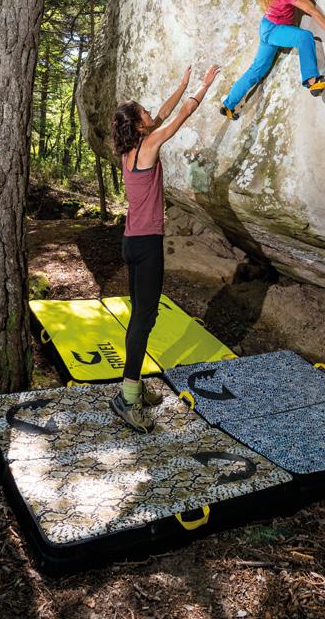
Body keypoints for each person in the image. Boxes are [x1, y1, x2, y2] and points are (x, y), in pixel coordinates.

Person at [110, 63, 221, 433]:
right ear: (139, 125)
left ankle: (134, 385)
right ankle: (127, 397)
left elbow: (164, 112)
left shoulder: (131, 150)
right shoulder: (149, 145)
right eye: (144, 112)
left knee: (141, 317)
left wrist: (182, 83)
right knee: (144, 319)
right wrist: (203, 86)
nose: (150, 112)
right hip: (146, 245)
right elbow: (181, 115)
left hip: (130, 242)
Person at [220, 0, 325, 120]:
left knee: (257, 70)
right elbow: (311, 10)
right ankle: (313, 82)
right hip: (274, 30)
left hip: (267, 27)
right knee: (304, 37)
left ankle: (228, 105)